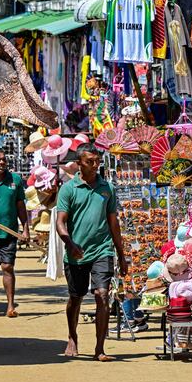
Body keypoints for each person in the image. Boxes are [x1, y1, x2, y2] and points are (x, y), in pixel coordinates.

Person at [56, 143, 127, 361]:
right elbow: (60, 222)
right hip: (76, 252)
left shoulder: (107, 188)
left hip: (102, 249)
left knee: (101, 294)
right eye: (90, 161)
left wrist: (121, 256)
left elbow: (113, 223)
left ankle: (99, 347)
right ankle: (72, 336)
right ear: (79, 164)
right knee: (75, 298)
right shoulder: (69, 189)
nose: (95, 165)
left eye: (97, 161)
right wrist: (70, 244)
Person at [0, 149, 29, 318]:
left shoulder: (15, 180)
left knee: (8, 267)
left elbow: (20, 206)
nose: (2, 163)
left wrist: (25, 228)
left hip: (9, 233)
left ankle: (10, 305)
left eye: (4, 160)